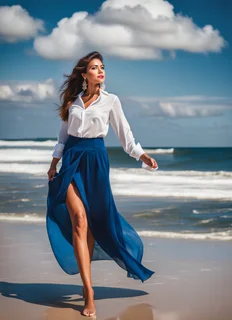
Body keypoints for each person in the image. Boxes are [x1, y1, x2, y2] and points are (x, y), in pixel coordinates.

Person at [46, 51, 158, 317]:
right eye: (94, 68)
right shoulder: (73, 102)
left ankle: (93, 278)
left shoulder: (111, 101)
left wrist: (141, 155)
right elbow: (63, 137)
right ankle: (88, 291)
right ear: (84, 75)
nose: (100, 71)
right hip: (72, 160)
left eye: (102, 67)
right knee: (79, 220)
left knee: (94, 223)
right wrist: (53, 164)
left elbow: (125, 134)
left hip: (96, 162)